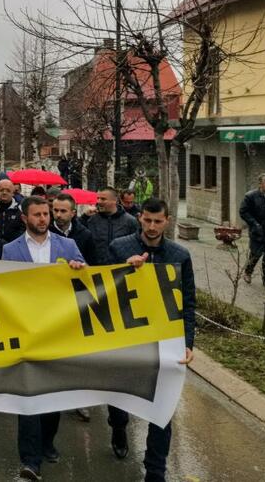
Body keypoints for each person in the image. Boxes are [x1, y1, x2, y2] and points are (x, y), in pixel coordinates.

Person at [106, 198, 195, 482]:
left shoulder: (180, 255)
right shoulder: (119, 248)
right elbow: (103, 292)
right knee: (120, 398)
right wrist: (123, 271)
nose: (152, 227)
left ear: (167, 221)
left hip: (164, 342)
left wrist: (188, 342)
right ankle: (118, 426)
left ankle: (156, 469)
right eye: (147, 220)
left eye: (158, 221)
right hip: (126, 340)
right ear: (140, 219)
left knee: (163, 408)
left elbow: (188, 303)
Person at [1, 196, 86, 481]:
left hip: (57, 333)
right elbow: (2, 290)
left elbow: (86, 283)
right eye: (36, 214)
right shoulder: (10, 250)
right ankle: (30, 460)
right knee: (28, 398)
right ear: (25, 217)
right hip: (25, 333)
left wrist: (78, 270)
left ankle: (47, 441)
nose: (42, 219)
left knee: (52, 398)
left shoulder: (68, 246)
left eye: (45, 214)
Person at [82, 188, 139, 266]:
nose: (99, 201)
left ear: (115, 200)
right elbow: (77, 237)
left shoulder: (130, 221)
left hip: (121, 271)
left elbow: (137, 245)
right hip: (95, 270)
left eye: (103, 199)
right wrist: (84, 217)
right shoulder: (91, 220)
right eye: (98, 198)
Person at [50, 193, 97, 264]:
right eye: (56, 210)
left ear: (73, 213)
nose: (58, 215)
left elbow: (92, 264)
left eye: (63, 211)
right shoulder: (45, 232)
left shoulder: (85, 235)